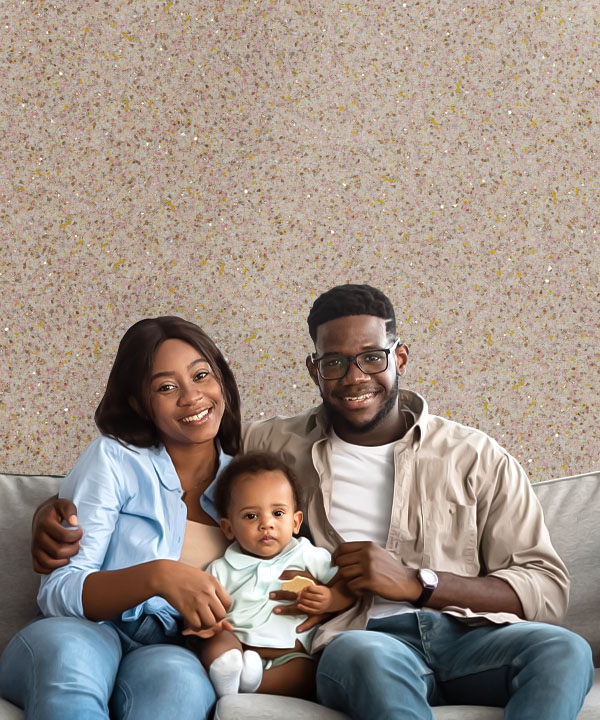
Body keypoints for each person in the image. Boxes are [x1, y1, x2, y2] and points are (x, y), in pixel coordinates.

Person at [28, 284, 594, 718]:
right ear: (314, 369)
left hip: (469, 635)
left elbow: (547, 589)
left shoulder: (478, 456)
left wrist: (421, 582)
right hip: (361, 641)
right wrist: (54, 510)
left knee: (565, 650)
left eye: (372, 357)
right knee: (367, 658)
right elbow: (177, 467)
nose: (355, 376)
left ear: (400, 357)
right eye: (334, 362)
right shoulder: (272, 446)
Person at [0, 316, 247, 720]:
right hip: (81, 630)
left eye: (202, 375)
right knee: (71, 664)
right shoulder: (113, 458)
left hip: (169, 648)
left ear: (222, 380)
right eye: (166, 387)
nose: (192, 397)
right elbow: (58, 590)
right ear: (138, 403)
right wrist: (158, 575)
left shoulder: (248, 481)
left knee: (179, 687)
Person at [189, 450, 354, 699]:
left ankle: (252, 684)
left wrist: (329, 597)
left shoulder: (309, 556)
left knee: (311, 672)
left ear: (296, 522)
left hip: (292, 652)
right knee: (218, 641)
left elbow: (346, 586)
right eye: (251, 516)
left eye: (278, 513)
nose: (267, 524)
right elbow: (202, 610)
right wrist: (206, 625)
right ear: (228, 527)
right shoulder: (221, 569)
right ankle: (226, 671)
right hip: (240, 646)